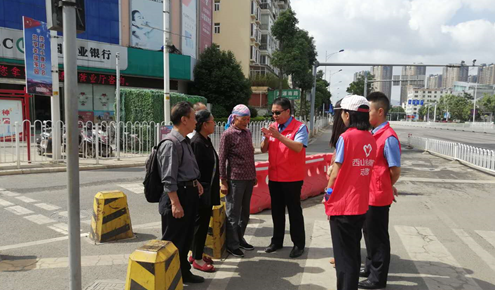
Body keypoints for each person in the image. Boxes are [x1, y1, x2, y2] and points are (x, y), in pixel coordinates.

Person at [324, 95, 376, 290]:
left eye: (343, 114)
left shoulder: (346, 137)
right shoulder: (370, 137)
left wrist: (328, 194)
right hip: (360, 204)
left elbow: (335, 173)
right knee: (353, 254)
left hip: (343, 205)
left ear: (347, 114)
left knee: (344, 259)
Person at [158, 101, 205, 284]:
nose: (196, 121)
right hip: (178, 196)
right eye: (193, 118)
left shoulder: (184, 141)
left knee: (186, 237)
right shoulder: (171, 143)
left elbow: (186, 169)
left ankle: (183, 272)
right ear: (184, 119)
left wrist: (196, 182)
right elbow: (168, 178)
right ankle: (168, 278)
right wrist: (175, 203)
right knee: (173, 240)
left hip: (189, 192)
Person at [359, 92, 401, 289]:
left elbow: (395, 170)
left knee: (378, 237)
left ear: (380, 111)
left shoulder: (389, 137)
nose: (366, 115)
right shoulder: (374, 133)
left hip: (378, 195)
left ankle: (378, 278)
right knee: (369, 233)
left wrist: (386, 185)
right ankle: (369, 267)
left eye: (369, 111)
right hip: (369, 193)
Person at [261, 97, 309, 258]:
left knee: (294, 211)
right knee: (277, 211)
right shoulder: (273, 127)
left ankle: (298, 244)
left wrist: (279, 136)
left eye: (277, 112)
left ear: (288, 111)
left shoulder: (300, 128)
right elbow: (263, 149)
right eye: (272, 112)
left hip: (292, 178)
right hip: (274, 176)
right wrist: (267, 138)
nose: (274, 116)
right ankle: (277, 241)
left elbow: (298, 147)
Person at [219, 104, 257, 258]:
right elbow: (222, 159)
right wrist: (223, 180)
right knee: (233, 213)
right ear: (234, 118)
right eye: (243, 119)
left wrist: (254, 175)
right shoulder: (227, 134)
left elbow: (251, 156)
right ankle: (232, 245)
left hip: (248, 178)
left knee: (245, 212)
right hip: (235, 178)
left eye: (248, 119)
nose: (246, 122)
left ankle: (240, 239)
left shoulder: (247, 132)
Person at [189, 110, 220, 272]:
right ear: (204, 124)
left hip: (208, 190)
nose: (214, 124)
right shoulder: (197, 142)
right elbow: (194, 170)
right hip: (201, 192)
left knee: (202, 223)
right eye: (212, 121)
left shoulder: (206, 140)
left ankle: (196, 253)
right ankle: (197, 259)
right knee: (200, 225)